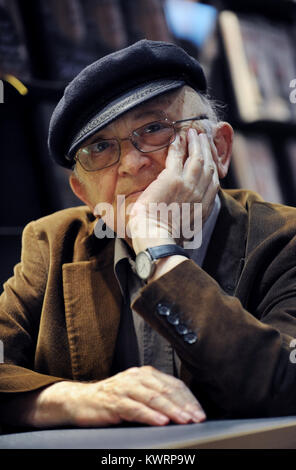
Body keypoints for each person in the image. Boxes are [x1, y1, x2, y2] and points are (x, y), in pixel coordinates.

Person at [1, 39, 296, 431]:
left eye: (155, 128)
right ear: (83, 193)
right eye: (101, 147)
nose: (131, 163)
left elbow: (284, 386)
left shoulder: (285, 238)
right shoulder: (54, 243)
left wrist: (156, 243)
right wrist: (73, 400)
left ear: (219, 149)